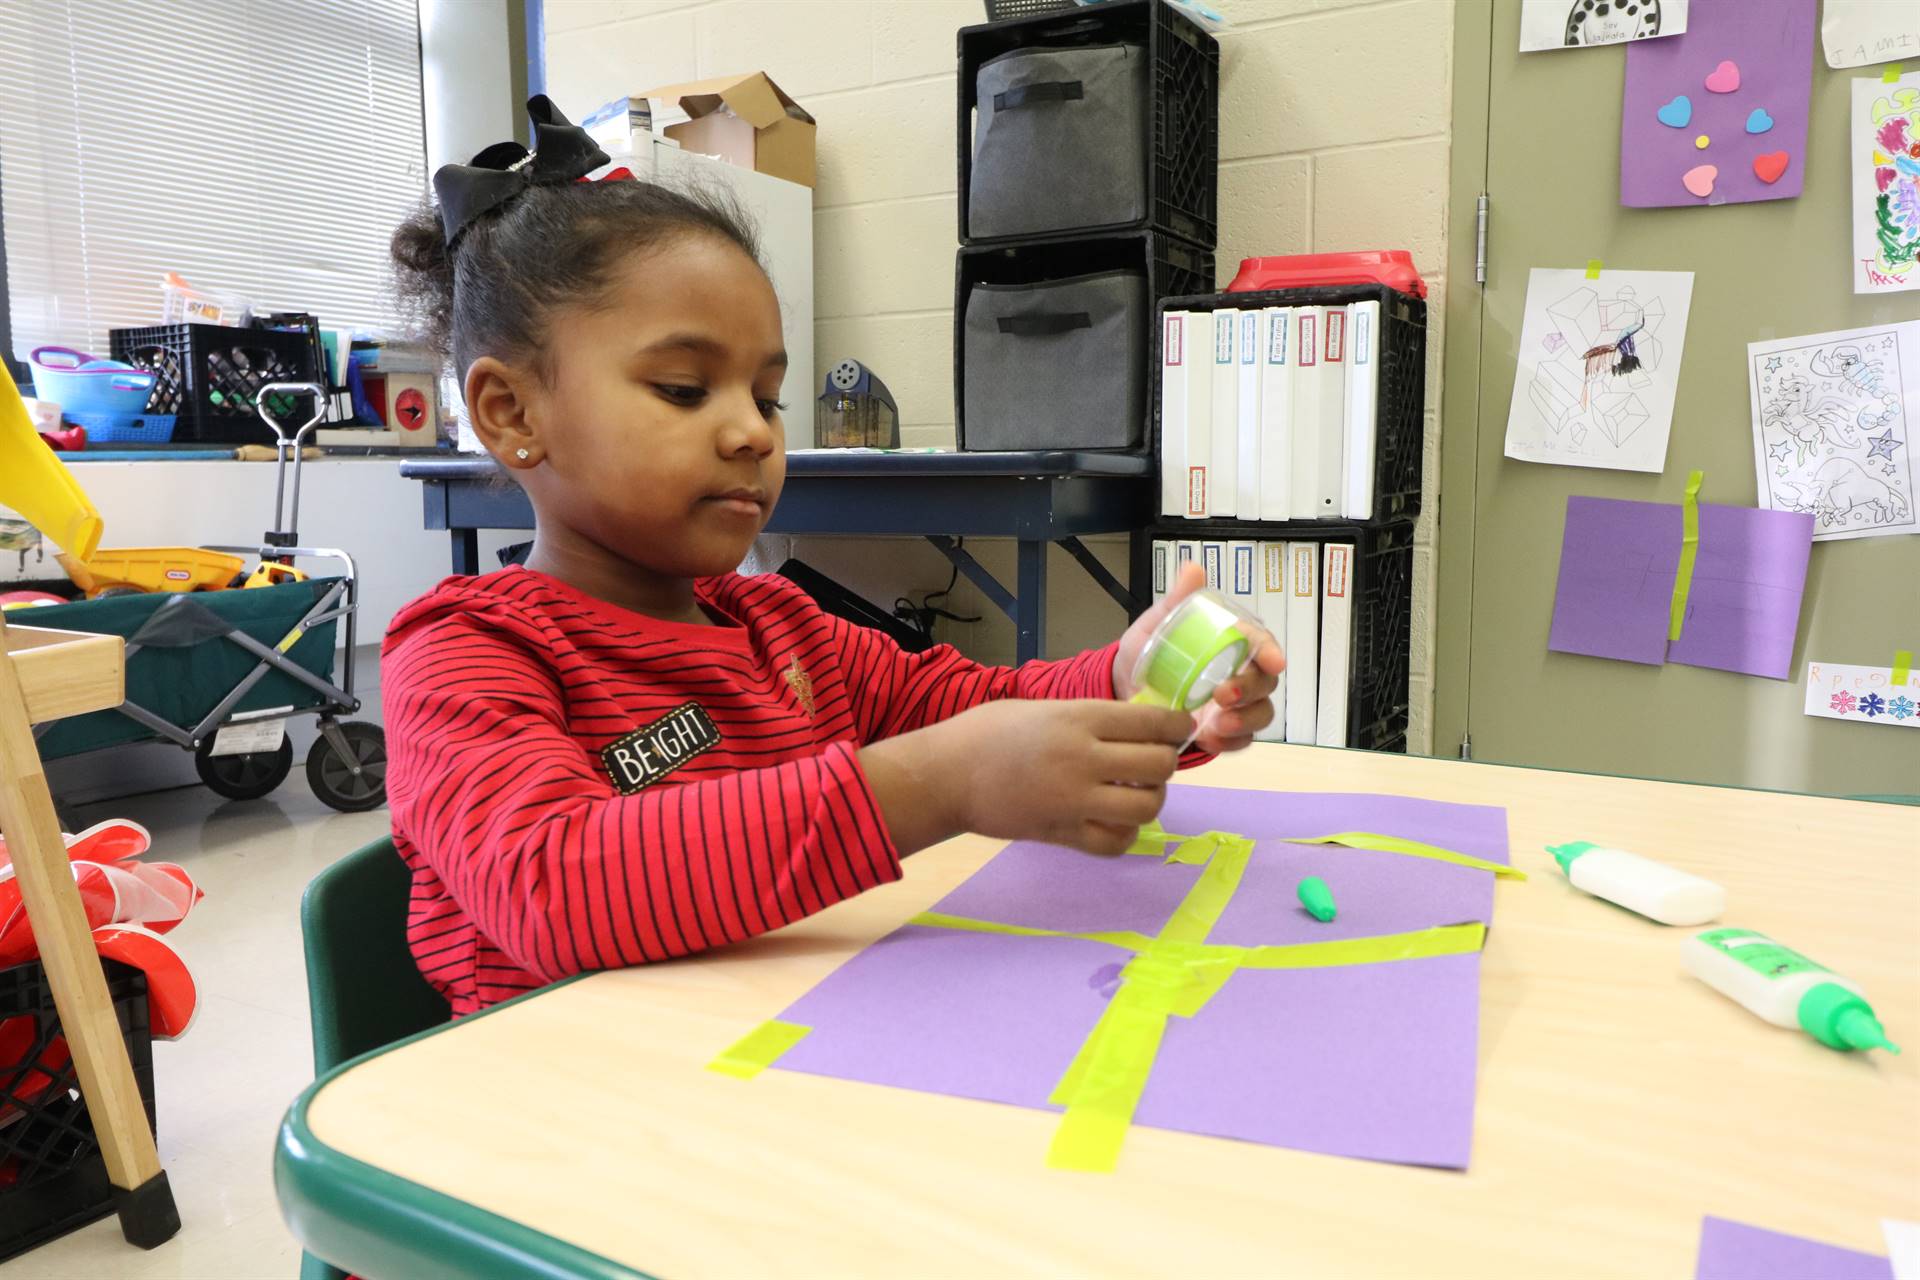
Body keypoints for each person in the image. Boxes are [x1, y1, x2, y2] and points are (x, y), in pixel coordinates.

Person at [383, 98, 1284, 1016]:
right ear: (511, 413)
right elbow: (554, 890)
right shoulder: (466, 655)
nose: (748, 432)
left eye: (767, 398)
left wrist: (1131, 677)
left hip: (786, 1051)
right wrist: (939, 784)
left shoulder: (783, 629)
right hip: (568, 1110)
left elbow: (968, 707)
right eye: (685, 389)